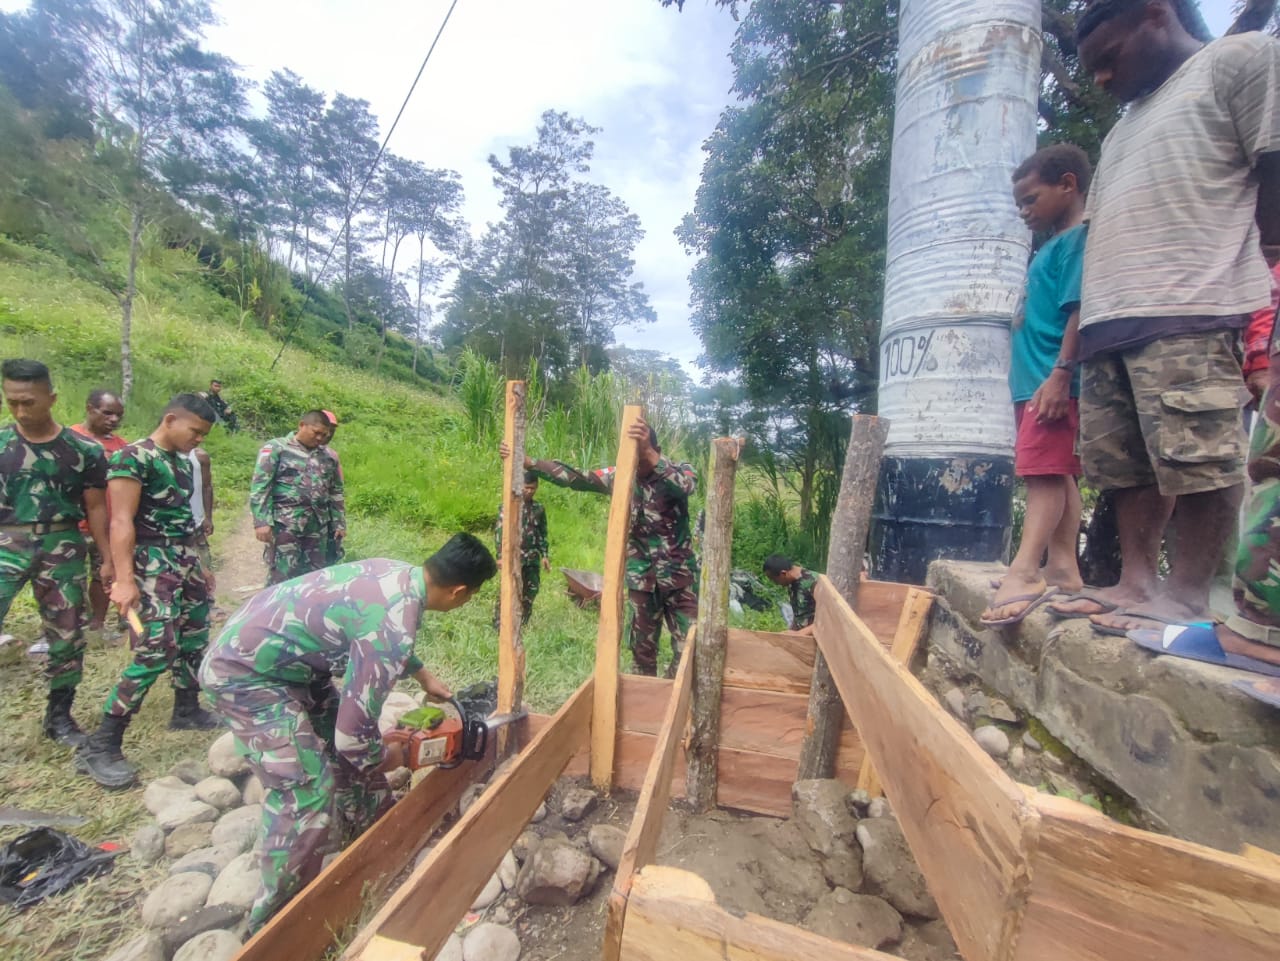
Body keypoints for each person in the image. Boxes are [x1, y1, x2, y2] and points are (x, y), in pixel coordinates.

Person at [1052, 4, 1279, 637]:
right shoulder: (1122, 128)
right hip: (1110, 319)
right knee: (1123, 464)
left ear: (1156, 15)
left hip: (1192, 304)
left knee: (1199, 453)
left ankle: (1186, 596)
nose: (1099, 79)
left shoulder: (1236, 63)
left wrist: (1265, 270)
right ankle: (1135, 581)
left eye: (1107, 59)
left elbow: (1274, 171)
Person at [198, 533, 497, 931]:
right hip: (245, 674)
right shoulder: (393, 632)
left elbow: (372, 623)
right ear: (459, 592)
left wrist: (421, 673)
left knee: (352, 749)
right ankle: (277, 926)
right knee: (307, 790)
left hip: (283, 654)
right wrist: (402, 754)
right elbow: (352, 739)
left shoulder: (396, 573)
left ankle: (371, 826)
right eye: (472, 595)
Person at [75, 393, 220, 789]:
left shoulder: (181, 461)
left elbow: (183, 518)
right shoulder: (133, 457)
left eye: (204, 435)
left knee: (194, 636)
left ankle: (186, 709)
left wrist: (199, 566)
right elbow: (121, 522)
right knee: (156, 647)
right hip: (150, 563)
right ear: (171, 419)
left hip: (182, 558)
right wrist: (123, 580)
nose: (199, 440)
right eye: (195, 431)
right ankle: (101, 744)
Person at [982, 144, 1089, 625]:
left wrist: (1062, 373)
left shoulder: (1077, 241)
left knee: (1042, 474)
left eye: (1031, 199)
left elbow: (1079, 311)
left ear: (1067, 184)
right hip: (1035, 381)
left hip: (1051, 377)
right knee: (1058, 471)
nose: (1025, 211)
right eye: (1019, 203)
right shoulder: (1051, 247)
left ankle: (1025, 570)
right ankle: (1063, 566)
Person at [503, 414, 698, 676]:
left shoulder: (679, 470)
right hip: (642, 580)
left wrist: (648, 453)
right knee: (641, 650)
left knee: (688, 648)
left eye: (640, 457)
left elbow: (686, 486)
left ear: (655, 450)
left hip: (679, 579)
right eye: (631, 457)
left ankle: (677, 696)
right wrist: (530, 462)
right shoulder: (620, 476)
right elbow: (578, 478)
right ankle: (645, 700)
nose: (635, 465)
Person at [0, 360, 111, 746]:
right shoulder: (1, 444)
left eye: (28, 401)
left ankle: (59, 717)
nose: (20, 410)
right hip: (6, 543)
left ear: (51, 397)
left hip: (62, 546)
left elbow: (96, 506)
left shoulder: (82, 451)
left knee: (67, 633)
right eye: (11, 401)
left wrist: (107, 558)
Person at [250, 411, 345, 586]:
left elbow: (335, 491)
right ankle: (275, 612)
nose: (319, 438)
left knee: (315, 578)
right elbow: (261, 486)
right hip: (285, 525)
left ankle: (305, 612)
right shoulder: (277, 448)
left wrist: (339, 523)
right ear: (301, 425)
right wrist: (262, 522)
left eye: (324, 435)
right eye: (315, 432)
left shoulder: (328, 456)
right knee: (282, 575)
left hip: (317, 526)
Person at [69, 389, 127, 639]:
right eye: (107, 413)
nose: (113, 419)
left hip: (108, 525)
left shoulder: (121, 446)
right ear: (89, 408)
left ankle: (97, 626)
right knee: (68, 581)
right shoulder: (69, 439)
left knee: (103, 575)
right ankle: (65, 630)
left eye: (118, 415)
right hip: (73, 526)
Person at [494, 470, 550, 626]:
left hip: (532, 559)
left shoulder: (539, 509)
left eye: (533, 488)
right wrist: (500, 556)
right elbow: (500, 532)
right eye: (526, 487)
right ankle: (500, 623)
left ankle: (522, 623)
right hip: (513, 556)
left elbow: (542, 533)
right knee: (508, 590)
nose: (529, 491)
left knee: (530, 591)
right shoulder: (509, 506)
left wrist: (545, 555)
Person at [762, 554, 818, 635]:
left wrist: (799, 634)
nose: (776, 584)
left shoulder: (813, 583)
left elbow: (827, 620)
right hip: (802, 637)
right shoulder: (791, 583)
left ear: (783, 574)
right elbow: (799, 615)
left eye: (775, 580)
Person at [189, 446, 216, 595]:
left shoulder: (200, 456)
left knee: (204, 560)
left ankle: (208, 599)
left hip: (196, 520)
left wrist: (208, 517)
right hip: (171, 526)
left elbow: (207, 487)